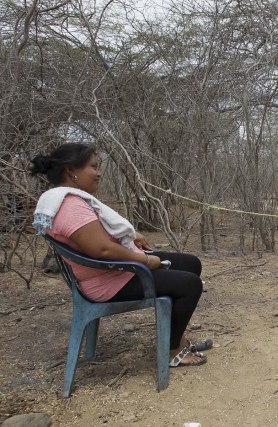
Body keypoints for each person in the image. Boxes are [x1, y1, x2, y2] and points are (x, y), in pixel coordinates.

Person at [30, 143, 210, 367]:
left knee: (190, 263)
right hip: (107, 281)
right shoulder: (70, 206)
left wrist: (131, 236)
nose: (99, 173)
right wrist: (145, 260)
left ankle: (176, 337)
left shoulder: (65, 200)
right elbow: (101, 250)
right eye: (93, 167)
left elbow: (98, 239)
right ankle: (173, 350)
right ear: (71, 171)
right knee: (190, 285)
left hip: (114, 271)